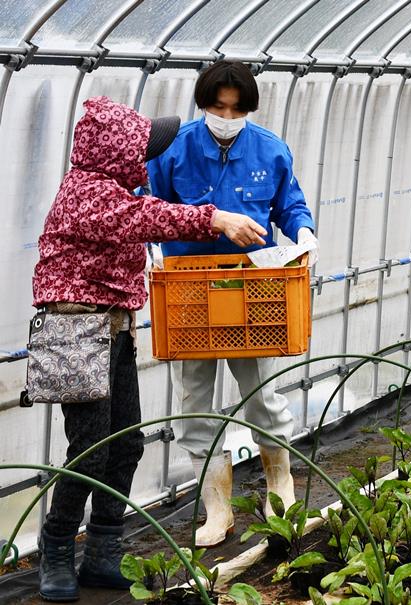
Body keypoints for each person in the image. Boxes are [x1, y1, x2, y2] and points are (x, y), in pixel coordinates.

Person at [31, 96, 266, 601]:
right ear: (113, 152)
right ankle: (55, 550)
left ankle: (101, 555)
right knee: (90, 452)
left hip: (113, 331)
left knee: (126, 444)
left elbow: (145, 209)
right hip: (76, 335)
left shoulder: (113, 187)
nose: (146, 158)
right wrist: (216, 219)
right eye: (139, 148)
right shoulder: (88, 195)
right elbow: (147, 217)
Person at [146, 61, 317, 547]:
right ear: (203, 104)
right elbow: (149, 206)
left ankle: (279, 484)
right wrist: (188, 232)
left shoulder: (269, 149)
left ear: (248, 108)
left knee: (261, 391)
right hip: (189, 291)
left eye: (235, 108)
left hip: (253, 290)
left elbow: (290, 204)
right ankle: (216, 507)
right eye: (217, 107)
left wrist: (303, 231)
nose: (226, 115)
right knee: (195, 401)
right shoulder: (174, 148)